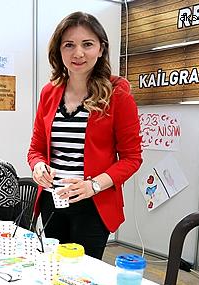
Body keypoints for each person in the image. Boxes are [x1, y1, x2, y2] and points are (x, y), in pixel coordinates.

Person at [28, 12, 142, 260]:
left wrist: (94, 185)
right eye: (69, 45)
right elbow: (35, 149)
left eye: (87, 44)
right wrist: (38, 166)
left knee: (84, 276)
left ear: (101, 49)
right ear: (59, 50)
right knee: (53, 269)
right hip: (52, 201)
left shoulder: (118, 94)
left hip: (93, 205)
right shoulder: (49, 93)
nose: (78, 53)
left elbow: (132, 159)